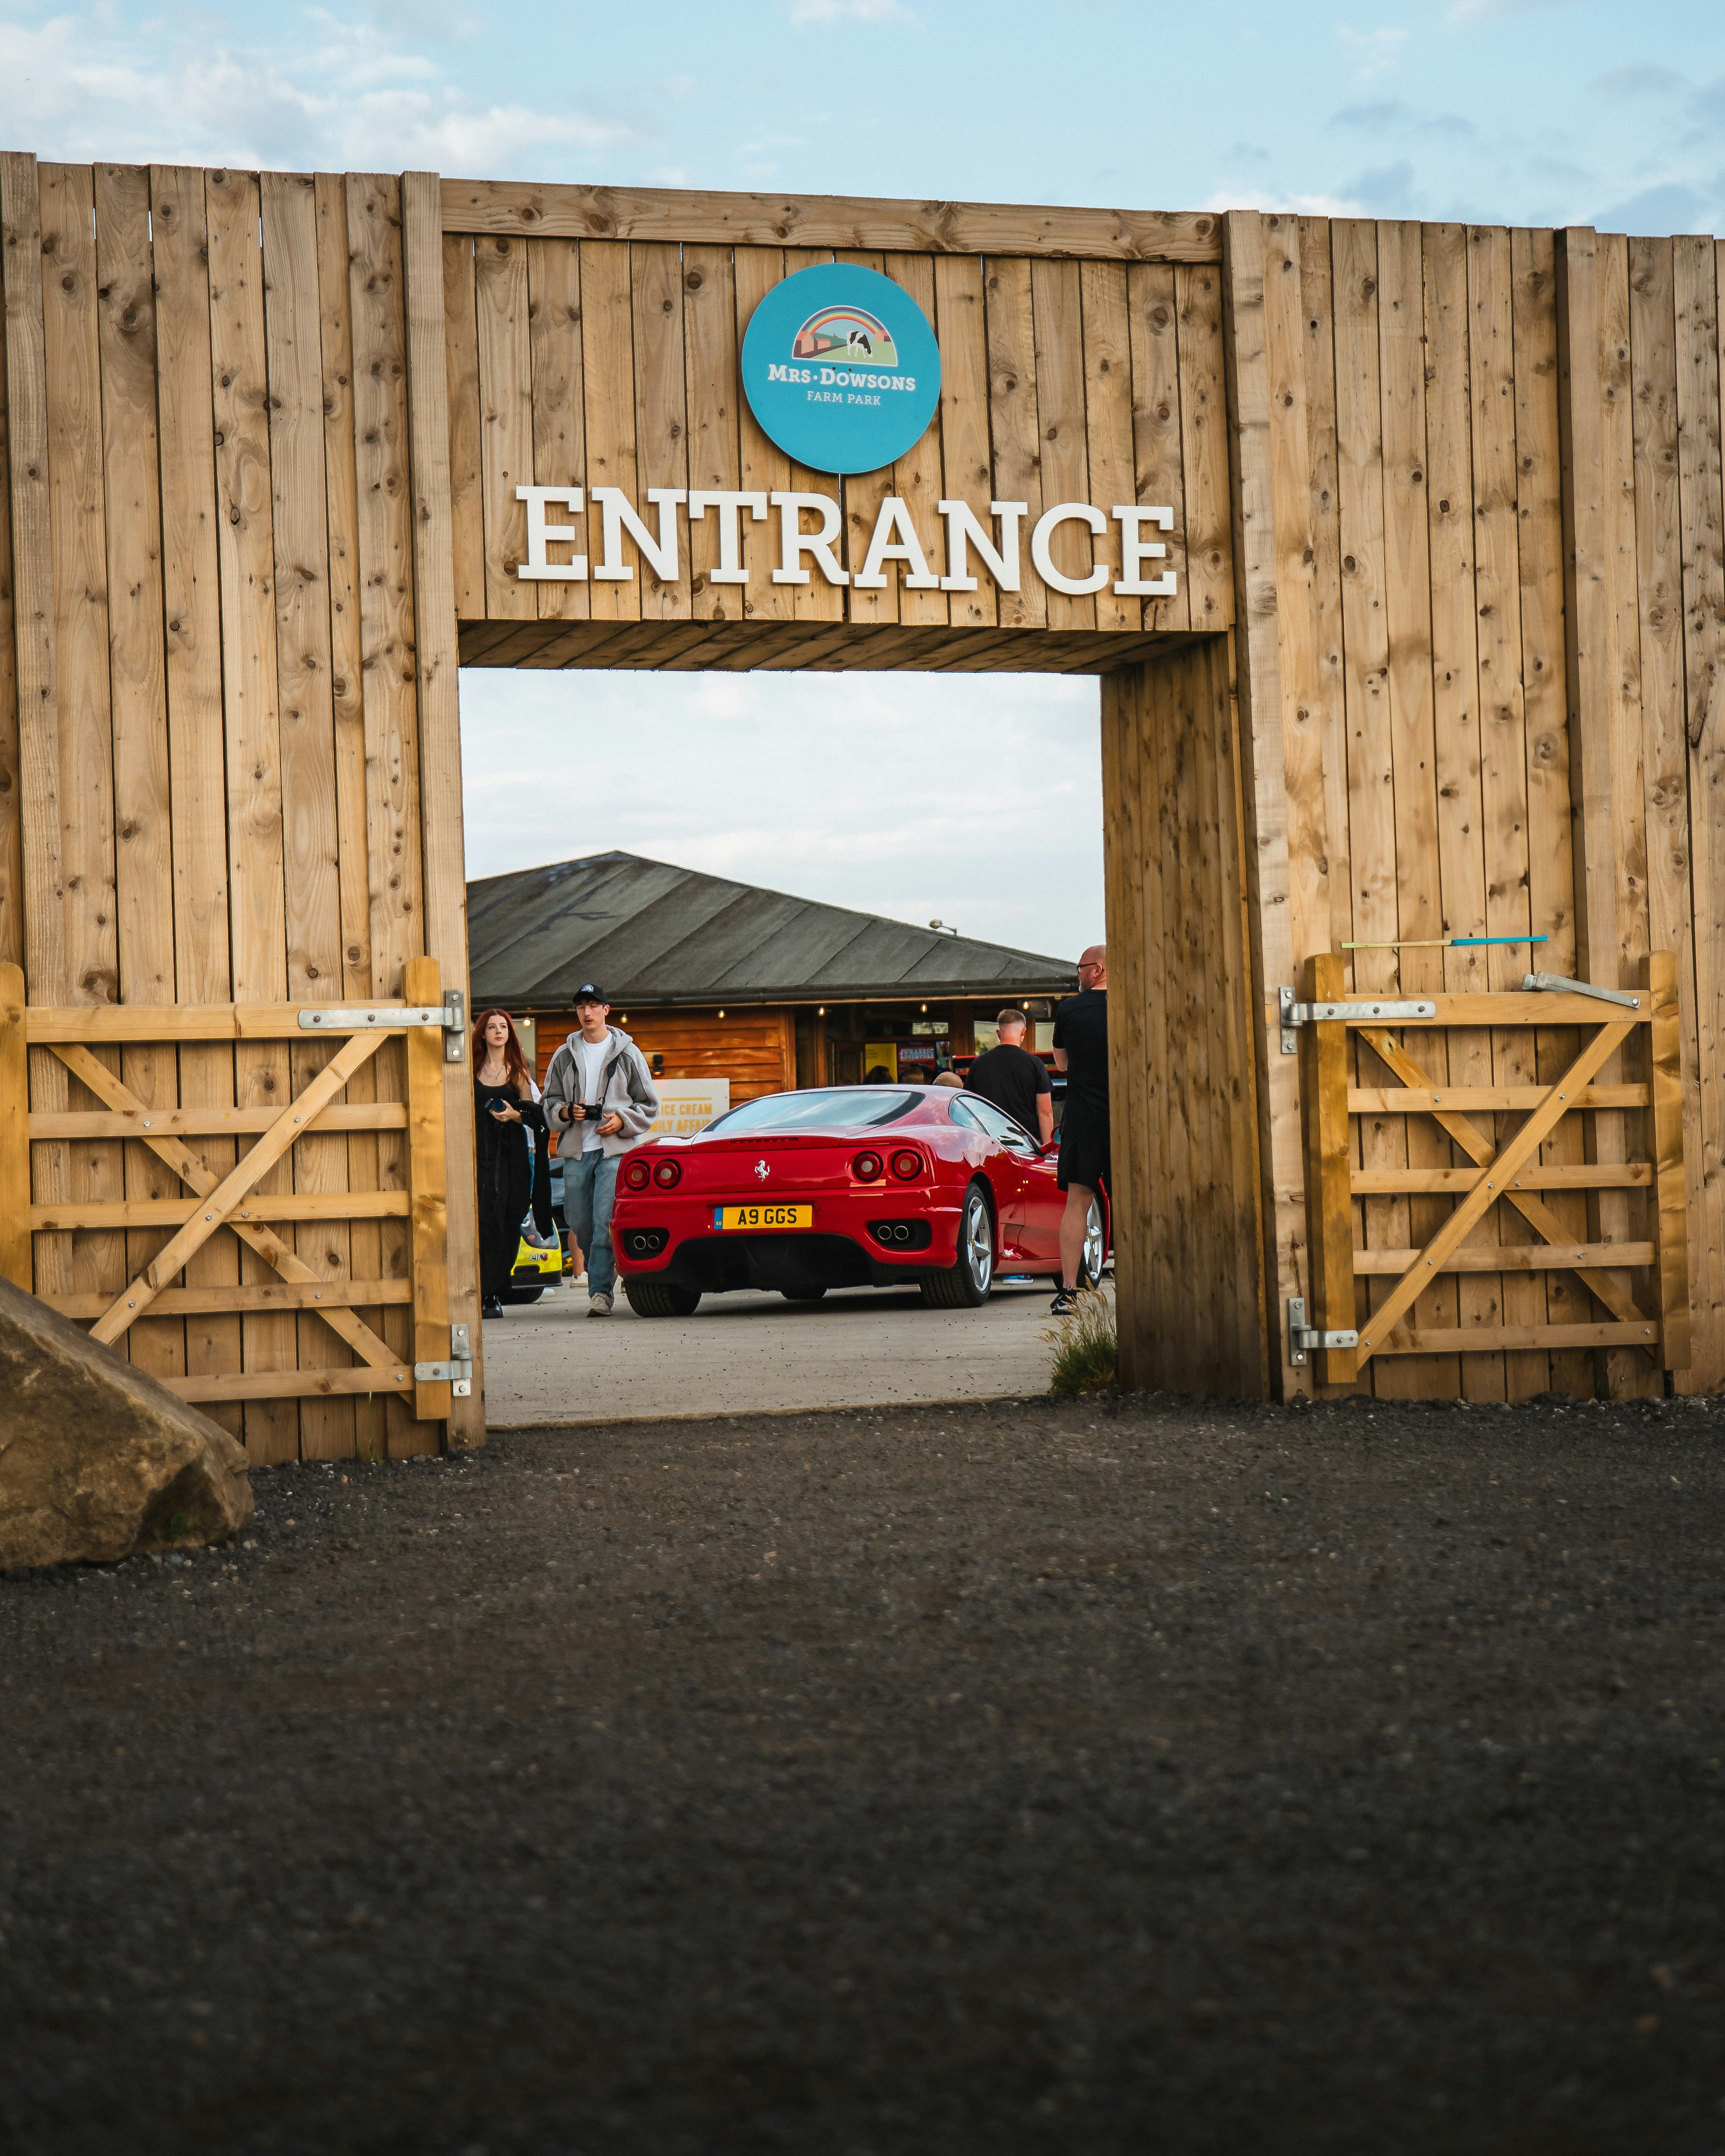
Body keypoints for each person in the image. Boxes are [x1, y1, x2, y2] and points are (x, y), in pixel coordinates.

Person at [540, 985, 660, 1316]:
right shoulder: (564, 1055)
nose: (587, 1012)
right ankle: (608, 1274)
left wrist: (622, 1121)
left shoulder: (628, 1053)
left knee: (605, 1219)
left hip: (614, 1151)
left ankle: (601, 1294)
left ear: (606, 1010)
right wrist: (566, 1112)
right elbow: (548, 1103)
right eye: (581, 1007)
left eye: (594, 1006)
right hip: (577, 1150)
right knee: (580, 1222)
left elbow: (649, 1105)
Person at [473, 1009, 546, 1320]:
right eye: (492, 1027)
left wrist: (513, 1115)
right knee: (481, 1218)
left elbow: (533, 1113)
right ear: (484, 1034)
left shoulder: (518, 1070)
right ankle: (479, 1288)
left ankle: (494, 1292)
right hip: (478, 1152)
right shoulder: (470, 1070)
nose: (499, 1031)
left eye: (504, 1027)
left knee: (507, 1217)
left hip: (511, 1153)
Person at [1049, 946, 1109, 1316]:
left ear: (1097, 969)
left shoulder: (1070, 1009)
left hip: (1084, 1118)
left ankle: (1069, 1291)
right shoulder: (1133, 1005)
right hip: (1127, 1118)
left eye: (1081, 969)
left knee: (1077, 1203)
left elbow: (1061, 1063)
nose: (1078, 975)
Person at [964, 1008, 1054, 1145]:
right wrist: (1048, 1150)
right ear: (1024, 1032)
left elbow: (969, 1108)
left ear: (998, 1034)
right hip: (1027, 1146)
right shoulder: (1035, 1065)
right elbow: (1045, 1113)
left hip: (990, 1145)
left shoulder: (978, 1065)